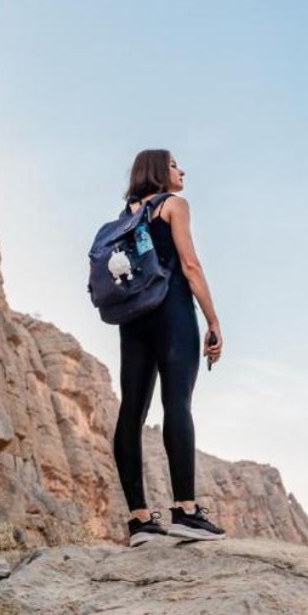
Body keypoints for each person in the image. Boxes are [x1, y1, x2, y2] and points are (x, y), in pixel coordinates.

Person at [113, 148, 227, 547]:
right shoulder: (173, 205)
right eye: (176, 165)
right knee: (177, 403)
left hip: (133, 316)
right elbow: (190, 266)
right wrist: (213, 321)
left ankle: (140, 523)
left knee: (132, 410)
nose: (183, 171)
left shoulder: (127, 215)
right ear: (161, 170)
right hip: (172, 309)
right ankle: (186, 512)